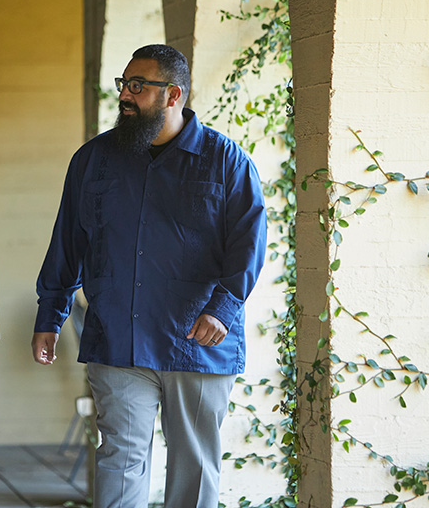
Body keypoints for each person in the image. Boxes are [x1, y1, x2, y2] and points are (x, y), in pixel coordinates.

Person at [32, 44, 267, 507]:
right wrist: (50, 315)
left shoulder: (226, 160)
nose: (125, 95)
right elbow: (68, 242)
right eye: (124, 84)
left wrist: (223, 308)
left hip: (197, 342)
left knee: (194, 466)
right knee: (119, 460)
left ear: (173, 94)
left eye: (138, 86)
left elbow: (249, 242)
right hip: (119, 337)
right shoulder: (93, 160)